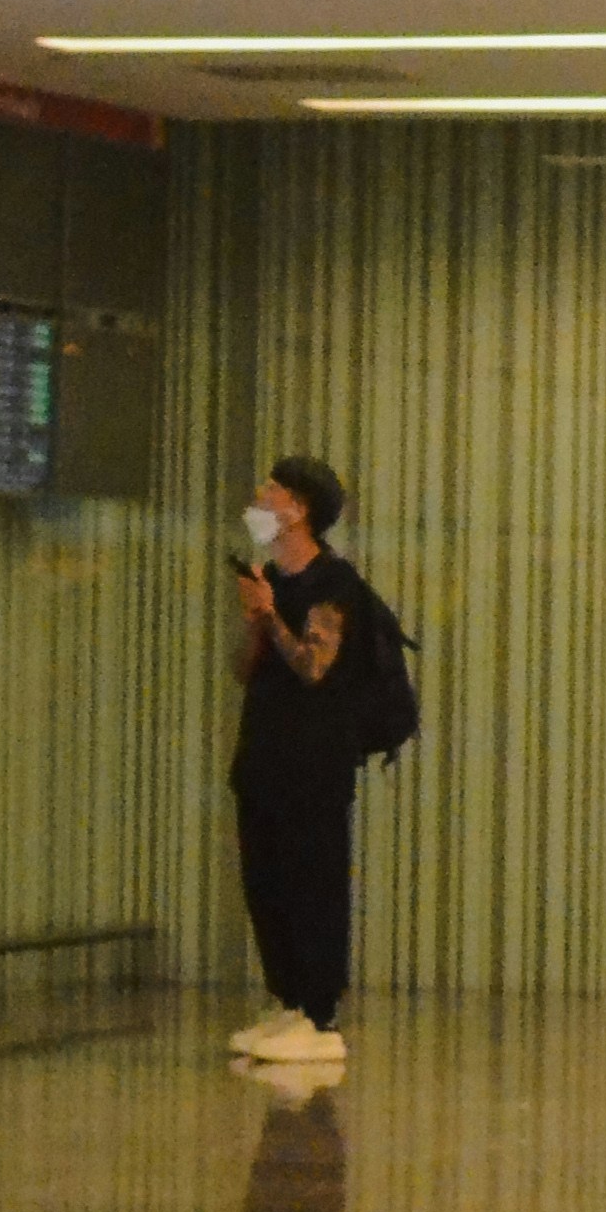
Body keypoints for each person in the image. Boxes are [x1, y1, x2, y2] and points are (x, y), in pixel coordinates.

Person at [227, 455, 372, 1068]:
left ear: (300, 507)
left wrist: (270, 617)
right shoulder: (273, 580)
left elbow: (315, 666)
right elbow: (242, 669)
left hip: (313, 764)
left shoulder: (333, 584)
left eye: (273, 489)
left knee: (312, 882)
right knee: (268, 882)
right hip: (263, 754)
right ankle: (286, 999)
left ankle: (319, 1011)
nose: (261, 497)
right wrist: (255, 618)